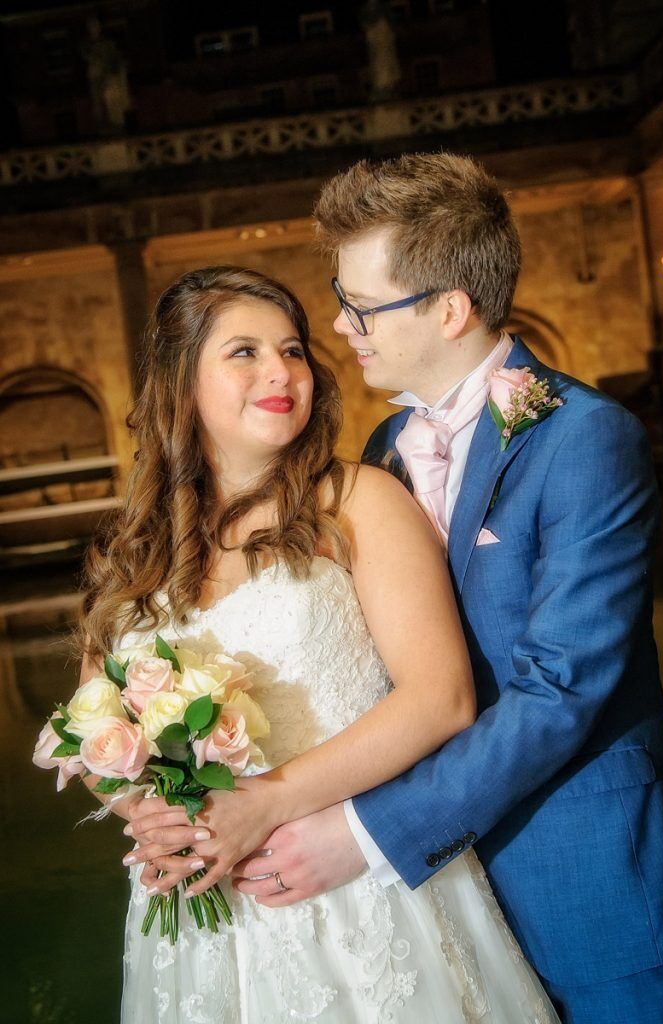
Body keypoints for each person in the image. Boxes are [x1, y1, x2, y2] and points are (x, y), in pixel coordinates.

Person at [130, 155, 663, 1023]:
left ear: (449, 309)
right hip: (431, 889)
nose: (338, 326)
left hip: (574, 869)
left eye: (360, 305)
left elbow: (561, 688)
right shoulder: (386, 447)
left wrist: (363, 832)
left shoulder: (584, 437)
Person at [78, 265, 559, 1022]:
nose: (281, 372)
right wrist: (144, 808)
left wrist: (264, 802)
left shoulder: (359, 501)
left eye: (293, 350)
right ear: (180, 381)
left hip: (355, 883)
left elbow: (441, 698)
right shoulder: (131, 552)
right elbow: (93, 731)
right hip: (201, 910)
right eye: (244, 352)